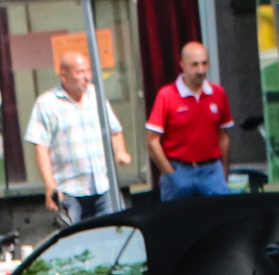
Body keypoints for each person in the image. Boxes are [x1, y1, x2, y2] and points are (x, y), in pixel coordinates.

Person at [24, 51, 129, 225]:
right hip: (69, 190)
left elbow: (114, 130)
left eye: (88, 71)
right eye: (80, 72)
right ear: (64, 75)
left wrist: (120, 152)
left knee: (113, 233)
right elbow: (40, 147)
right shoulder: (47, 103)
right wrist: (50, 186)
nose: (86, 77)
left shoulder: (96, 96)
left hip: (102, 186)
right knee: (75, 242)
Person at [145, 40, 233, 200]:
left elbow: (223, 135)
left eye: (204, 64)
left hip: (212, 171)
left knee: (218, 219)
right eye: (195, 65)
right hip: (179, 170)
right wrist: (169, 172)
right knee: (178, 222)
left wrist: (224, 170)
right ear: (183, 65)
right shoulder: (167, 95)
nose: (201, 70)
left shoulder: (218, 93)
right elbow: (152, 140)